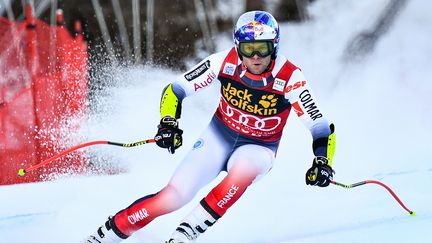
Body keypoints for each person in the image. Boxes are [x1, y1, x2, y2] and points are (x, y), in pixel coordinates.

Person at [85, 10, 336, 243]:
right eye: (249, 49)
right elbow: (175, 89)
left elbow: (320, 125)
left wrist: (323, 161)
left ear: (275, 46)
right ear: (238, 47)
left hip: (259, 148)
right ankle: (105, 236)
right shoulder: (222, 62)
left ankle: (184, 235)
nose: (256, 57)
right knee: (173, 197)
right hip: (218, 137)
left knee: (243, 172)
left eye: (263, 48)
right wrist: (168, 123)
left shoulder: (290, 77)